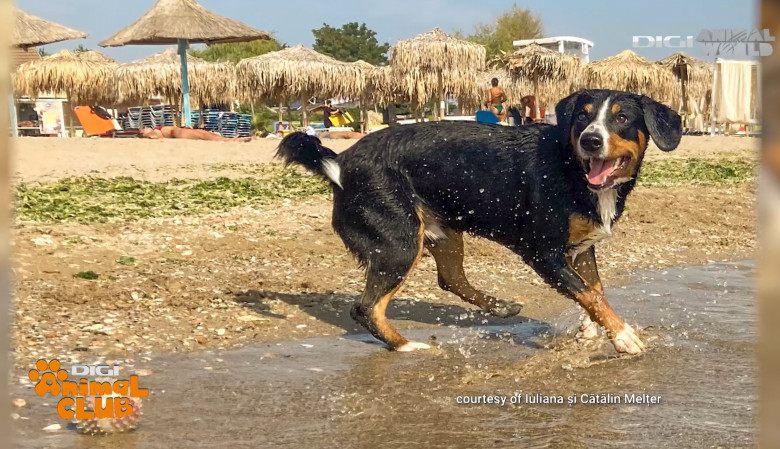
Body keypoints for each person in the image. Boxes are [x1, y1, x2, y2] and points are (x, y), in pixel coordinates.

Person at [139, 126, 251, 142]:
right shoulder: (153, 133)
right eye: (143, 129)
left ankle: (228, 139)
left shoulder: (155, 130)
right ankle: (230, 140)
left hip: (179, 131)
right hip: (177, 133)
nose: (144, 128)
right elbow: (155, 137)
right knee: (205, 136)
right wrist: (146, 134)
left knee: (205, 133)